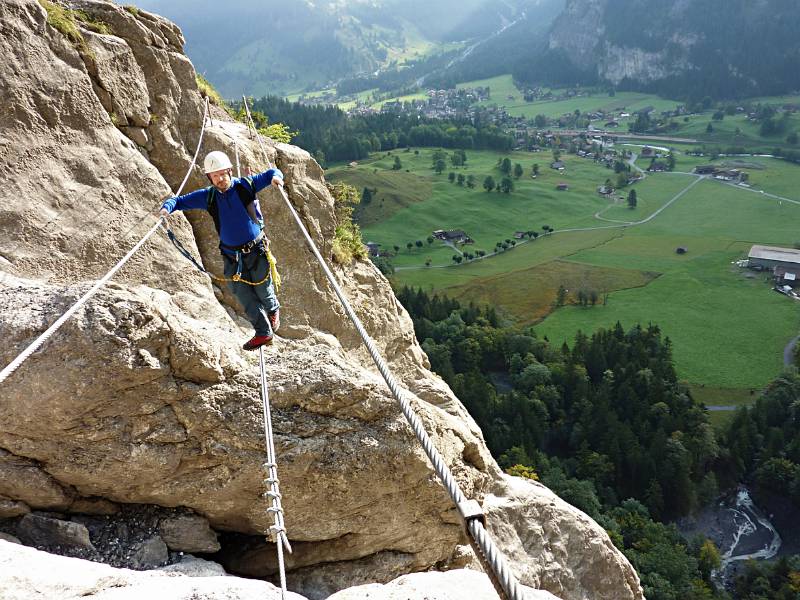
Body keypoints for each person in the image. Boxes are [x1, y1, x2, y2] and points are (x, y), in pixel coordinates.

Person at [160, 151, 283, 351]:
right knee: (242, 293)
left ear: (229, 171)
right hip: (231, 255)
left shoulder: (246, 185)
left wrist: (277, 178)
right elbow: (180, 201)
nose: (219, 179)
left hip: (256, 250)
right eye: (215, 176)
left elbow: (271, 173)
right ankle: (263, 332)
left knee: (262, 289)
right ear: (210, 178)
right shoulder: (208, 197)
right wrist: (167, 208)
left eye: (222, 174)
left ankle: (272, 309)